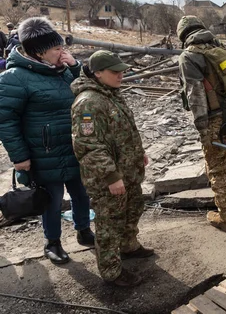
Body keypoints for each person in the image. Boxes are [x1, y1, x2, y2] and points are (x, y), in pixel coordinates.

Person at [0, 17, 93, 265]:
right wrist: (20, 158)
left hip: (74, 147)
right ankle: (52, 242)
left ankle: (84, 230)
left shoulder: (63, 71)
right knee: (50, 201)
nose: (62, 52)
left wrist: (75, 66)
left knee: (82, 194)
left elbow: (88, 90)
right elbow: (6, 121)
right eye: (56, 48)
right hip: (44, 153)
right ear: (39, 52)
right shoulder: (14, 78)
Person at [71, 50, 153, 287]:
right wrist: (111, 176)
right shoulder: (88, 102)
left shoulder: (110, 94)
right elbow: (88, 145)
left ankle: (129, 246)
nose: (121, 75)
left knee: (133, 207)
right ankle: (111, 270)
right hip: (108, 178)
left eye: (122, 71)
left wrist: (138, 154)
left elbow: (122, 132)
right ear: (97, 73)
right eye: (115, 72)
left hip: (127, 171)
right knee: (110, 223)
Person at [178, 15, 226, 233]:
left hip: (214, 118)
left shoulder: (189, 56)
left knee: (216, 166)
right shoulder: (220, 48)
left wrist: (202, 128)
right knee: (224, 158)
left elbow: (195, 95)